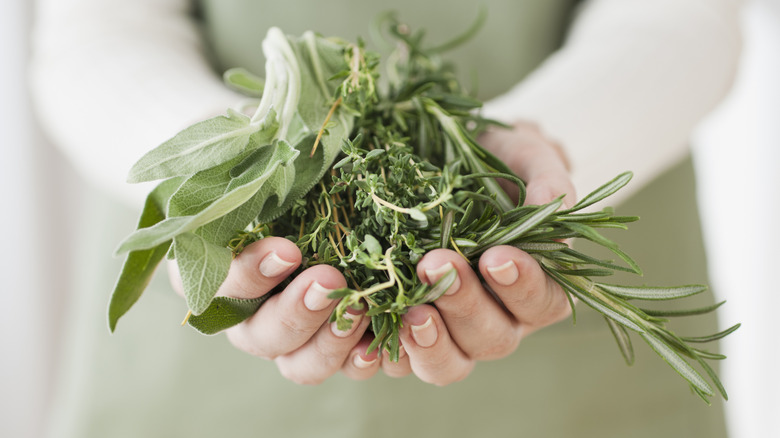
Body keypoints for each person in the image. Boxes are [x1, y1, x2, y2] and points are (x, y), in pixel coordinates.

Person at [30, 0, 743, 436]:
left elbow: (681, 11)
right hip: (201, 366)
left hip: (567, 350)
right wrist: (233, 169)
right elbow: (96, 24)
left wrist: (549, 149)